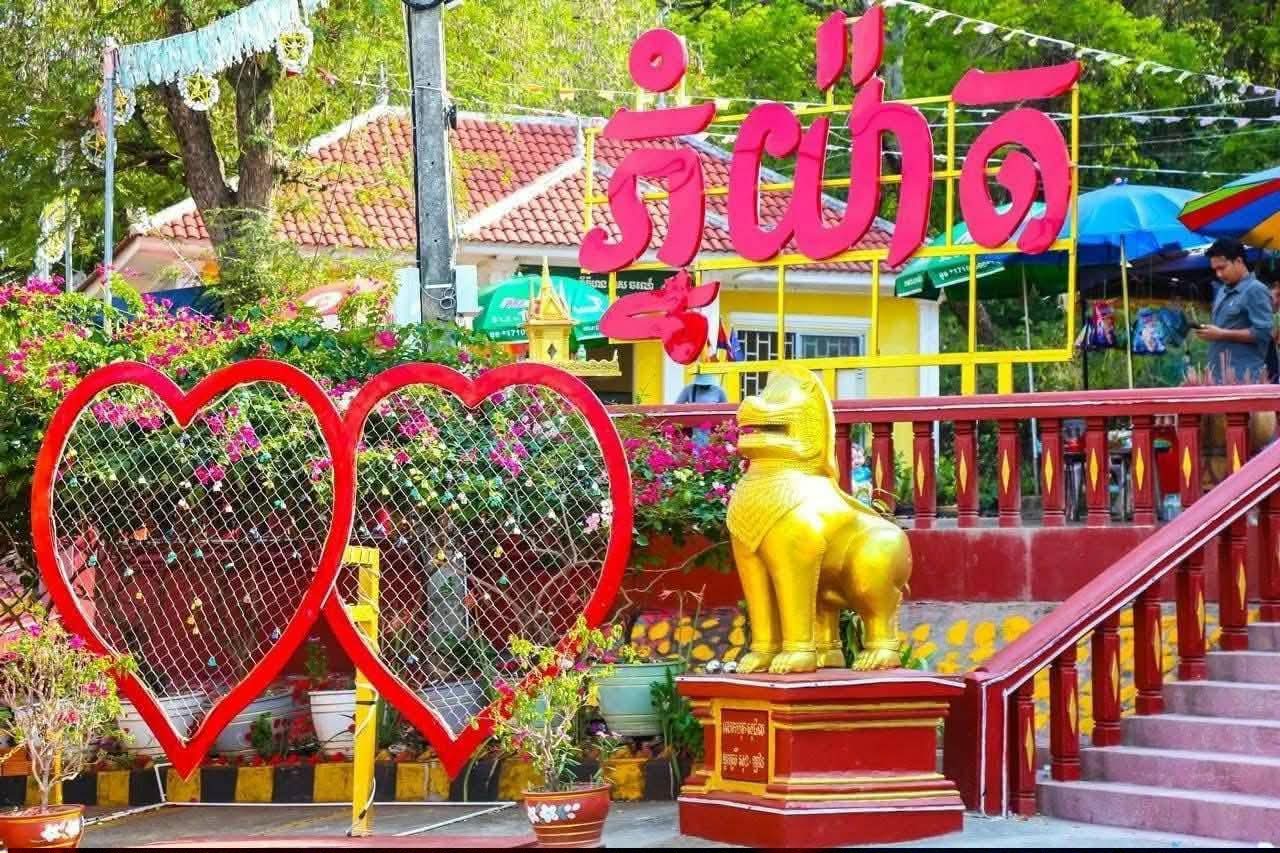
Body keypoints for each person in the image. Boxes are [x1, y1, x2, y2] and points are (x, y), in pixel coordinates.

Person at [1196, 239, 1273, 384]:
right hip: (1217, 377)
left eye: (1222, 268)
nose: (1218, 274)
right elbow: (1222, 328)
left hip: (1244, 379)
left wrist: (1222, 334)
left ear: (1238, 261)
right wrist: (1210, 332)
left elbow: (1263, 333)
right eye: (1215, 270)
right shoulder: (1222, 291)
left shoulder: (1255, 289)